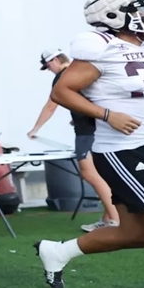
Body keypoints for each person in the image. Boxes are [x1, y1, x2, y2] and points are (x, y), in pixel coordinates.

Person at [35, 0, 144, 288]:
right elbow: (61, 91)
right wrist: (107, 114)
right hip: (123, 150)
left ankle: (57, 252)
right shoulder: (100, 46)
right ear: (113, 15)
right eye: (139, 11)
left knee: (136, 234)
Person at [29, 48, 118, 231]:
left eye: (48, 66)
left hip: (88, 132)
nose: (49, 71)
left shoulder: (63, 76)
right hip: (101, 128)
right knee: (102, 174)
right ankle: (108, 216)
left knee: (89, 173)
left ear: (54, 60)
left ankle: (115, 219)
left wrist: (35, 128)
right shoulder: (83, 70)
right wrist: (79, 116)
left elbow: (51, 105)